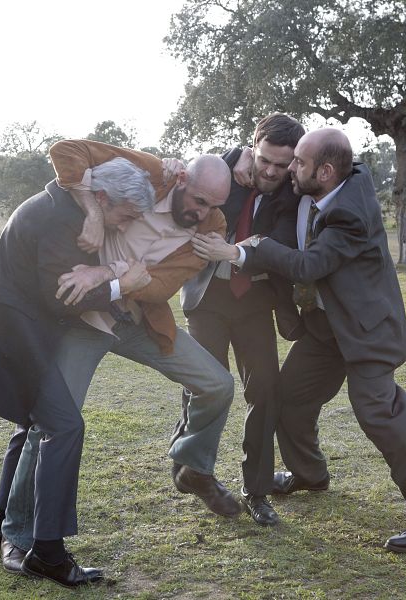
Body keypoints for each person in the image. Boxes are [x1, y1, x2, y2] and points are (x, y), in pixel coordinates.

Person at [0, 140, 239, 581]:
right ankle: (16, 534)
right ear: (182, 179)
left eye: (214, 205)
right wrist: (89, 209)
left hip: (142, 321)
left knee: (218, 384)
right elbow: (66, 151)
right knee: (53, 421)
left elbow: (161, 285)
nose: (203, 213)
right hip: (87, 318)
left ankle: (191, 466)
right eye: (199, 200)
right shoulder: (148, 170)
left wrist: (106, 273)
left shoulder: (211, 226)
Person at [192, 127, 406, 552]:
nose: (288, 168)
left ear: (325, 172)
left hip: (365, 329)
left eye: (298, 163)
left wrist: (241, 252)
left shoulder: (349, 212)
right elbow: (265, 155)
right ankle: (309, 473)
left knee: (379, 412)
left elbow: (311, 265)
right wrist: (235, 153)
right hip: (326, 328)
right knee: (289, 397)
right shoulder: (317, 182)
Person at [0, 157, 157, 588]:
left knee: (33, 425)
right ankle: (47, 553)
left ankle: (3, 528)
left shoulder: (66, 203)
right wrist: (122, 286)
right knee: (64, 427)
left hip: (21, 332)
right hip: (11, 337)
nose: (123, 226)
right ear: (101, 198)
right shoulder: (61, 219)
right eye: (125, 215)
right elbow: (61, 297)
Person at [176, 113, 304, 525]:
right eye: (264, 159)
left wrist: (240, 248)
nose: (270, 171)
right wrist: (232, 163)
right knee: (204, 383)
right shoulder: (227, 173)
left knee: (265, 390)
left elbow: (280, 242)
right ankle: (197, 471)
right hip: (208, 296)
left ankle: (258, 490)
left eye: (281, 165)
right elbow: (191, 201)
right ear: (253, 147)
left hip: (256, 302)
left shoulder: (292, 195)